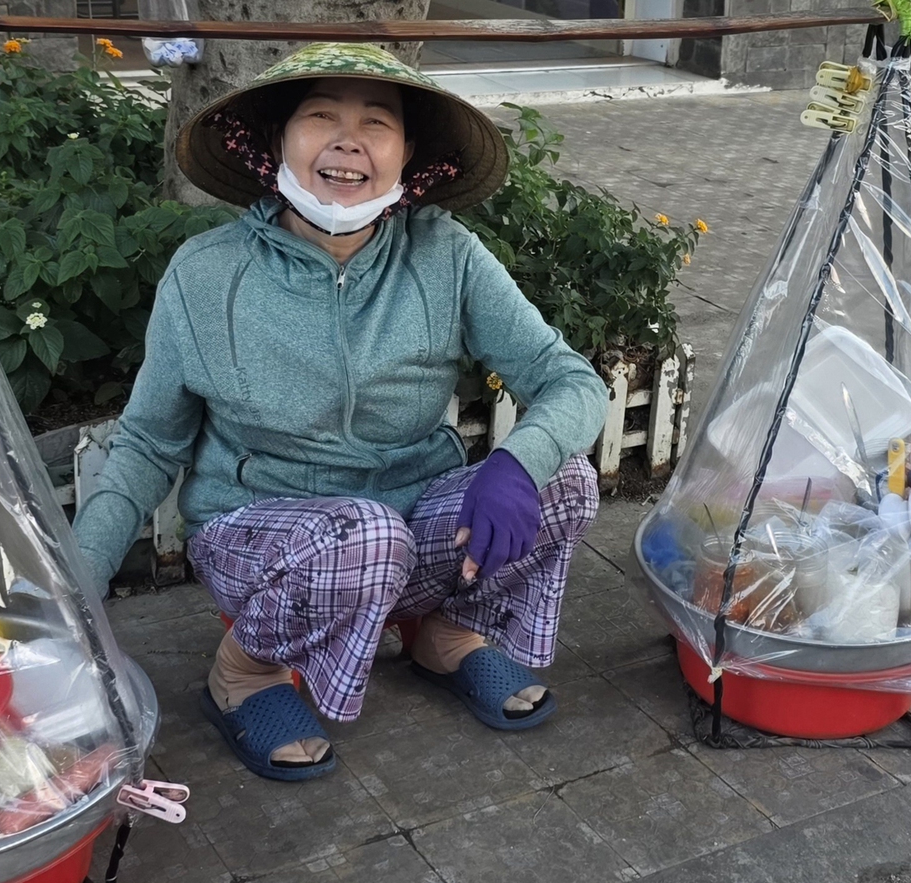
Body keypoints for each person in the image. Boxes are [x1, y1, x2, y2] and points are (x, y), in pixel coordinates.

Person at [73, 43, 609, 782]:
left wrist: (522, 461)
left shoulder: (445, 254)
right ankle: (244, 674)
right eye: (320, 116)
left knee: (565, 481)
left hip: (409, 519)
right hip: (266, 535)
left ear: (407, 154)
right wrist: (78, 580)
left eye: (376, 124)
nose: (348, 139)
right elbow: (145, 443)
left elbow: (569, 380)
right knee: (362, 537)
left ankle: (446, 636)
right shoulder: (205, 275)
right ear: (275, 144)